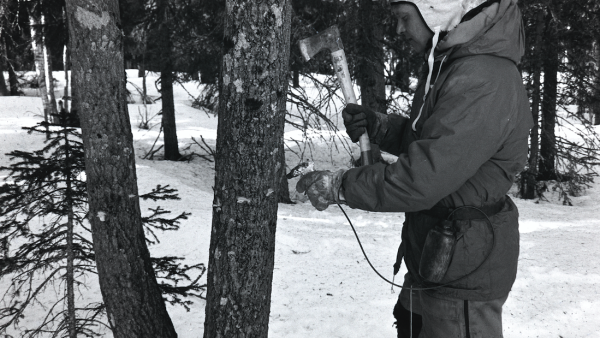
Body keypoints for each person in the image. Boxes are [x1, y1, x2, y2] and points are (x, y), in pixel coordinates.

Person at [296, 0, 533, 337]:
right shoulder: (452, 64)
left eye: (404, 18)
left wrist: (341, 185)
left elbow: (424, 177)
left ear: (438, 10)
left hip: (461, 269)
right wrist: (380, 128)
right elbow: (434, 141)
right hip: (436, 257)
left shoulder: (483, 78)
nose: (398, 30)